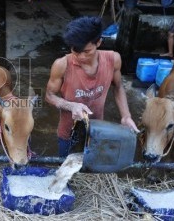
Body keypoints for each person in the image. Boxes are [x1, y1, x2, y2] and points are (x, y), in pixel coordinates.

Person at [45, 16, 139, 157]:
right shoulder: (62, 64)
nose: (81, 56)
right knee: (66, 169)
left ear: (99, 42)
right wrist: (71, 106)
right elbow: (49, 95)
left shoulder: (113, 59)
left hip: (97, 130)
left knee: (91, 168)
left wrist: (126, 116)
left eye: (87, 51)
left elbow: (118, 87)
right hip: (68, 133)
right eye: (76, 51)